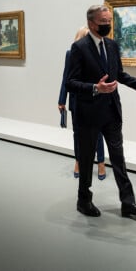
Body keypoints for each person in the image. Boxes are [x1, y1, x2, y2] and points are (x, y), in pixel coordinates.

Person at [66, 4, 136, 218]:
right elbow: (70, 82)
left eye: (109, 22)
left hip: (111, 112)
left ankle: (128, 203)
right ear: (91, 23)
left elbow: (120, 75)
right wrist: (96, 88)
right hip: (88, 114)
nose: (107, 26)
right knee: (87, 159)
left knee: (119, 158)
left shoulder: (113, 45)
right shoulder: (79, 48)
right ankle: (84, 201)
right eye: (103, 23)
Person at [58, 26, 107, 180]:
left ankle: (100, 163)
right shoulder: (70, 54)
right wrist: (61, 100)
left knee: (98, 133)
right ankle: (78, 162)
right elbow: (66, 78)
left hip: (95, 100)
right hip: (76, 101)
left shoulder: (99, 54)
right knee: (78, 134)